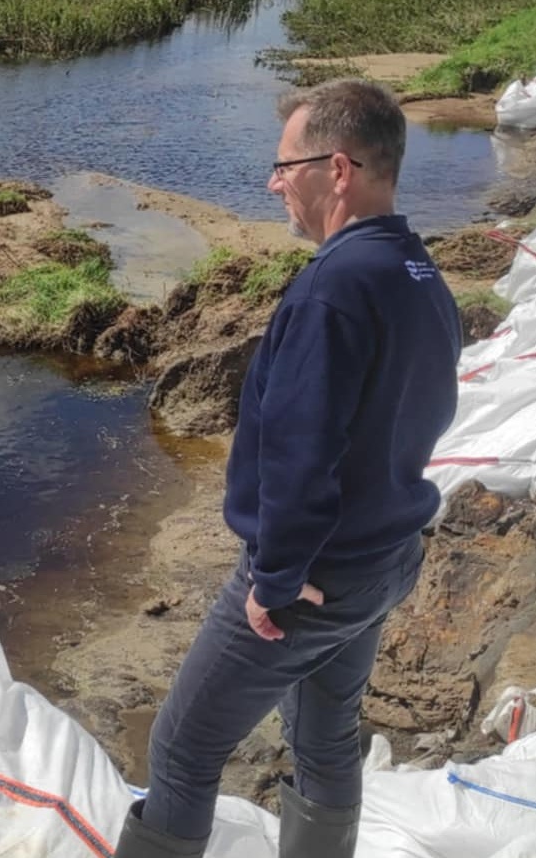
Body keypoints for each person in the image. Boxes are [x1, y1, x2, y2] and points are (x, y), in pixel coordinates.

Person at [114, 79, 462, 857]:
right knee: (326, 738)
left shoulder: (331, 288)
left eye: (283, 166)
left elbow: (300, 454)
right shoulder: (416, 271)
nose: (274, 184)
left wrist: (274, 579)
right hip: (383, 558)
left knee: (182, 749)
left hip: (311, 576)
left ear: (335, 170)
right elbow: (428, 410)